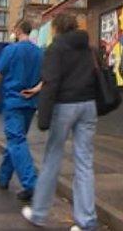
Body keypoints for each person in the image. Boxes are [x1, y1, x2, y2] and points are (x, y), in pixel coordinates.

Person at [21, 13, 97, 231]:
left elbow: (51, 82)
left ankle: (39, 213)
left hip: (65, 105)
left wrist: (43, 117)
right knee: (84, 162)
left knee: (52, 158)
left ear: (57, 28)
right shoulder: (88, 47)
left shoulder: (56, 48)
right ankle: (87, 221)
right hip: (88, 105)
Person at [0, 19, 43, 200]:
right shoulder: (39, 52)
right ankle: (3, 177)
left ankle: (31, 184)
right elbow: (45, 78)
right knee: (16, 141)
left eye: (13, 29)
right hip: (30, 103)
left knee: (16, 142)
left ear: (19, 29)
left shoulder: (10, 50)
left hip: (13, 102)